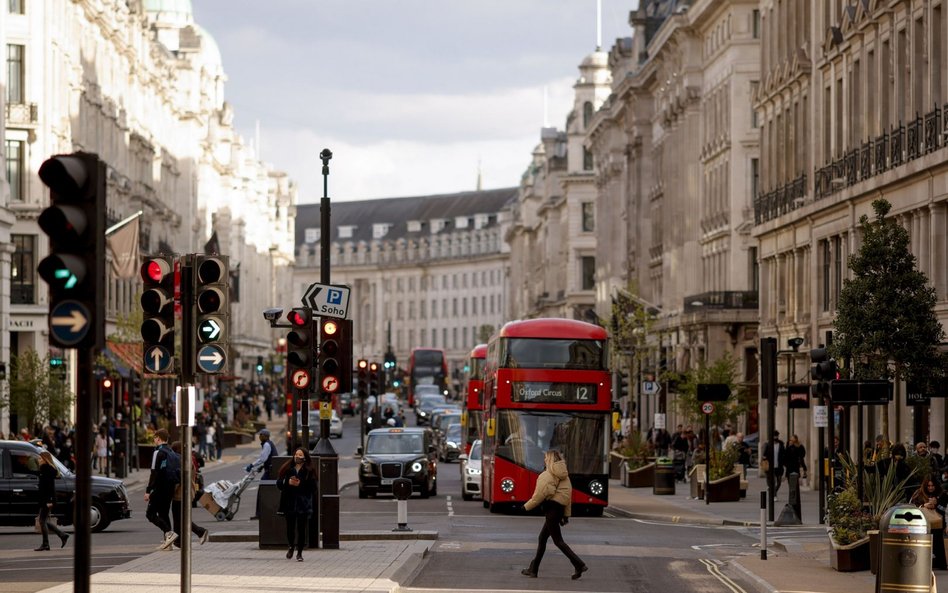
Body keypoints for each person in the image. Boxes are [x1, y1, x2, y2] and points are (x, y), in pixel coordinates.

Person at [520, 450, 587, 580]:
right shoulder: (565, 476)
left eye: (545, 458)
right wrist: (566, 515)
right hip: (558, 510)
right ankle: (533, 569)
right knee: (542, 538)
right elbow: (567, 497)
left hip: (551, 510)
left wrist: (525, 507)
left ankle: (579, 564)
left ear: (549, 459)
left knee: (558, 541)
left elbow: (539, 495)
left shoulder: (547, 475)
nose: (544, 460)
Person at [276, 447, 317, 562]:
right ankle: (290, 547)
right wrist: (287, 482)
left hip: (302, 504)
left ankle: (299, 552)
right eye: (296, 454)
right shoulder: (288, 468)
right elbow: (279, 483)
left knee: (301, 528)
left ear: (304, 457)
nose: (297, 456)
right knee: (290, 527)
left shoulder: (309, 470)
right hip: (289, 502)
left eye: (300, 455)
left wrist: (301, 484)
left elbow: (313, 488)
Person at [169, 442, 209, 547]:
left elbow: (179, 478)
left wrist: (171, 491)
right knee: (178, 517)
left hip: (181, 493)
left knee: (181, 518)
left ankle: (201, 531)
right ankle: (178, 541)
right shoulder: (187, 459)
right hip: (185, 492)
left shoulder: (181, 461)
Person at [144, 428, 179, 550]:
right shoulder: (171, 452)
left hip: (159, 488)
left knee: (150, 514)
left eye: (154, 437)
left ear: (158, 438)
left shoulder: (157, 452)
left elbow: (154, 473)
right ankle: (168, 542)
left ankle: (169, 533)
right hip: (170, 487)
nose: (154, 440)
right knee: (164, 513)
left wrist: (148, 491)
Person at [911, 477, 948, 570]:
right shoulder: (919, 493)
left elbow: (944, 509)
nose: (931, 488)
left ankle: (939, 563)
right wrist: (924, 506)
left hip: (938, 524)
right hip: (923, 524)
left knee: (938, 543)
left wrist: (936, 504)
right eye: (928, 486)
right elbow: (913, 506)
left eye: (932, 486)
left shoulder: (942, 494)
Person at [35, 450, 69, 551]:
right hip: (45, 499)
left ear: (45, 460)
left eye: (40, 458)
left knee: (42, 521)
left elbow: (49, 487)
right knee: (43, 521)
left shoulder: (47, 470)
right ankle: (62, 535)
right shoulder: (44, 469)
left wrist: (49, 500)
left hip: (47, 499)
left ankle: (46, 544)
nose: (38, 459)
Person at [247, 428, 279, 520]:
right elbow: (267, 458)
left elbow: (263, 458)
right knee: (267, 491)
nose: (259, 437)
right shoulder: (268, 444)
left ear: (265, 436)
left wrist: (251, 465)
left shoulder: (267, 445)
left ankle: (259, 513)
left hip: (270, 471)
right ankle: (263, 513)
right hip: (271, 469)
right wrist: (261, 467)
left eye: (260, 435)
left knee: (262, 490)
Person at [762, 431, 786, 496]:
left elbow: (784, 454)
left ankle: (773, 491)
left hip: (779, 466)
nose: (775, 437)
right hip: (770, 466)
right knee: (772, 482)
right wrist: (764, 458)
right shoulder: (767, 444)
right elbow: (764, 454)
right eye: (774, 436)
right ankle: (774, 494)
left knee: (779, 482)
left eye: (776, 436)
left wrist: (784, 463)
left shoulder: (781, 444)